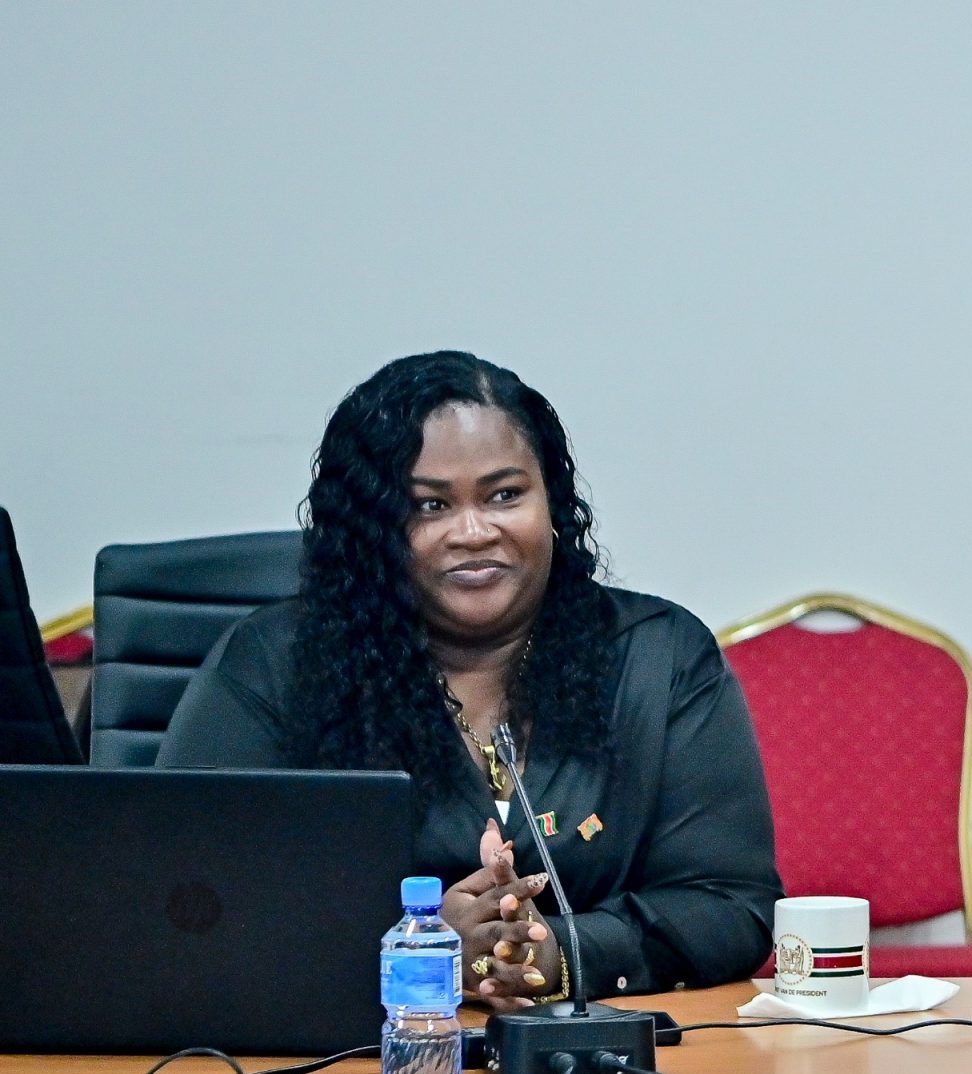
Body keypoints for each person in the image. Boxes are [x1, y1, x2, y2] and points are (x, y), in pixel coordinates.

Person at [160, 351, 782, 1006]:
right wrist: (418, 947)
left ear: (552, 501)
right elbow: (186, 904)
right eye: (430, 505)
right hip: (356, 1054)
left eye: (504, 495)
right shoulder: (275, 663)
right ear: (372, 530)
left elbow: (731, 906)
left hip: (600, 1050)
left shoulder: (659, 658)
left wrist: (560, 951)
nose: (474, 531)